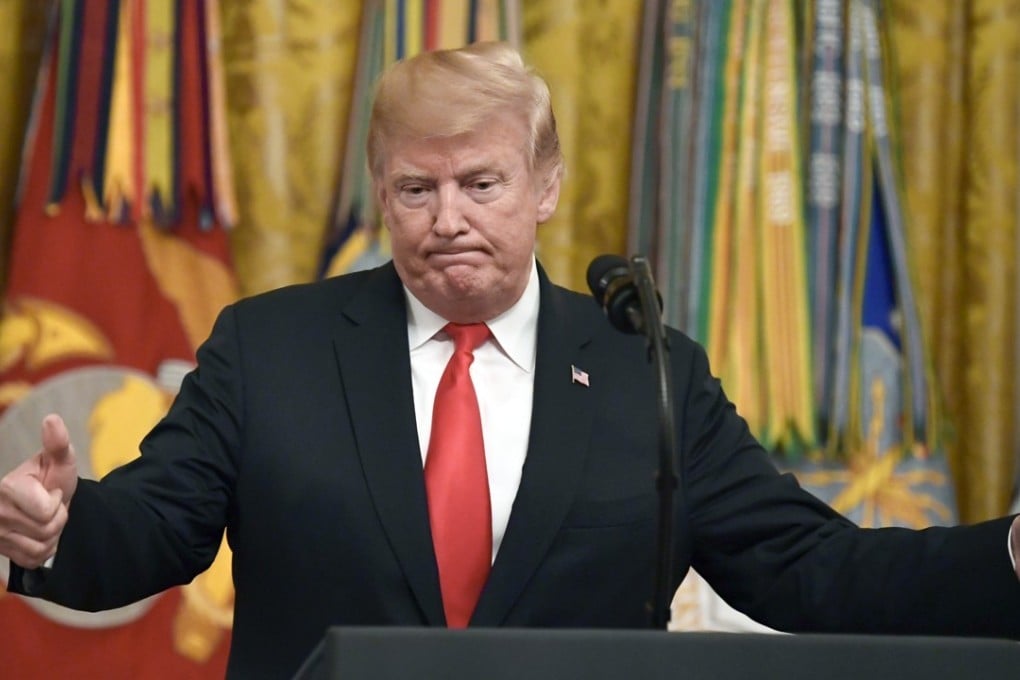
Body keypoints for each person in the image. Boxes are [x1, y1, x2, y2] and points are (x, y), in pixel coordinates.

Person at [2, 42, 1020, 679]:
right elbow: (155, 528)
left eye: (480, 183)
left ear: (544, 186)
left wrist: (1006, 558)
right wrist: (55, 528)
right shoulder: (270, 347)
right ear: (379, 188)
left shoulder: (646, 369)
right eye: (415, 189)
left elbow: (811, 567)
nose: (447, 220)